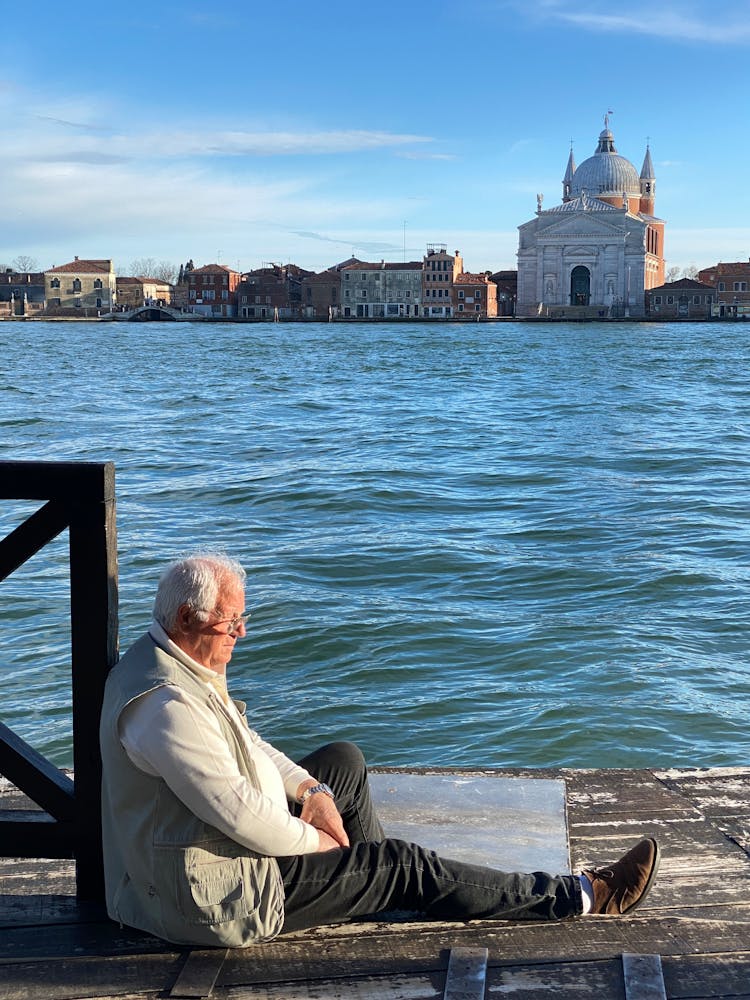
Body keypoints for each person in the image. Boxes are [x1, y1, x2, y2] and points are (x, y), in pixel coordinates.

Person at [100, 553, 661, 947]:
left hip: (212, 854)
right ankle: (582, 895)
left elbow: (248, 743)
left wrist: (312, 791)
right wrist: (315, 843)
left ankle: (377, 887)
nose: (242, 633)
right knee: (401, 862)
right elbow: (243, 818)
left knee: (342, 761)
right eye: (232, 623)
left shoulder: (173, 660)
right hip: (211, 898)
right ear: (185, 619)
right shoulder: (166, 708)